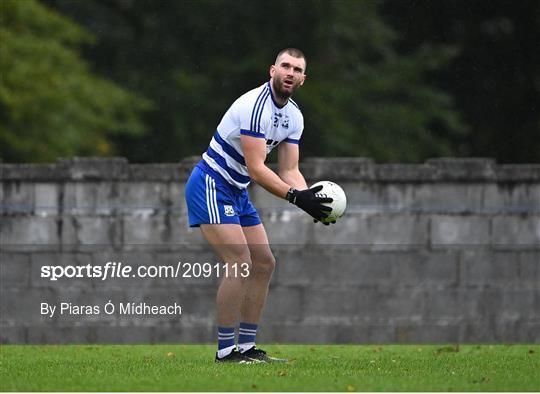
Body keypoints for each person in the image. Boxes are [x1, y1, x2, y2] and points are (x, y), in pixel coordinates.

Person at [184, 48, 333, 363]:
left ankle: (248, 348)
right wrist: (295, 197)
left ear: (303, 79)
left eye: (297, 69)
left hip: (237, 191)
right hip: (211, 184)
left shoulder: (294, 116)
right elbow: (256, 168)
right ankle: (226, 352)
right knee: (239, 260)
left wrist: (311, 199)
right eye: (285, 66)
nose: (290, 72)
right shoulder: (254, 106)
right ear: (272, 70)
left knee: (264, 262)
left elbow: (290, 170)